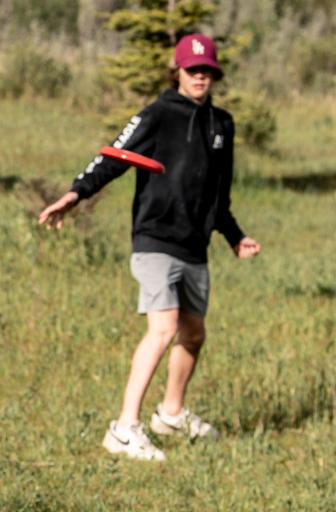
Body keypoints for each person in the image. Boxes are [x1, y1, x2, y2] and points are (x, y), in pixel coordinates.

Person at [38, 33, 261, 461]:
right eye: (193, 69)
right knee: (163, 328)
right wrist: (75, 194)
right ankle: (124, 429)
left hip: (194, 244)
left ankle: (171, 414)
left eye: (207, 70)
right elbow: (114, 156)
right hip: (155, 238)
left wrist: (234, 237)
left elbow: (219, 196)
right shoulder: (158, 114)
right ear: (177, 71)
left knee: (193, 334)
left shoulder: (222, 125)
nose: (200, 76)